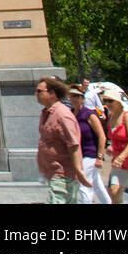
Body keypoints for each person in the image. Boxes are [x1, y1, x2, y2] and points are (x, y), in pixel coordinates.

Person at [35, 76, 89, 204]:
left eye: (39, 91)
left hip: (64, 174)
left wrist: (78, 169)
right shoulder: (47, 113)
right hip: (54, 172)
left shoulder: (62, 115)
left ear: (52, 93)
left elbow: (73, 144)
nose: (36, 94)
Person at [68, 85, 110, 204]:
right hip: (78, 154)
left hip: (90, 154)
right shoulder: (70, 113)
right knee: (97, 185)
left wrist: (99, 157)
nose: (74, 99)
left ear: (83, 98)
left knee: (84, 185)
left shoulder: (89, 114)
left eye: (77, 96)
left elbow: (102, 136)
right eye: (72, 96)